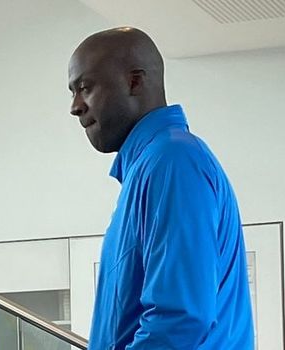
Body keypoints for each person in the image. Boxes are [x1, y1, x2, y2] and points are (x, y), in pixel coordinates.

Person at [68, 27, 254, 349]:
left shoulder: (172, 161)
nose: (75, 106)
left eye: (85, 88)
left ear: (135, 81)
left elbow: (179, 318)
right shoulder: (151, 167)